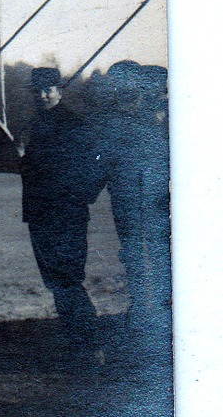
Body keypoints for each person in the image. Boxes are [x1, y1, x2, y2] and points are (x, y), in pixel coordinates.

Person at [18, 67, 107, 347]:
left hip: (67, 213)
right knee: (55, 279)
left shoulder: (75, 124)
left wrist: (79, 197)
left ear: (59, 90)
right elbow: (35, 171)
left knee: (68, 277)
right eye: (38, 91)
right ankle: (75, 339)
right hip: (39, 213)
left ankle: (88, 340)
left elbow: (97, 167)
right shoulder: (33, 126)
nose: (43, 96)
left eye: (48, 89)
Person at [98, 60, 171, 355]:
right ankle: (142, 314)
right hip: (127, 201)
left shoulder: (164, 114)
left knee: (162, 256)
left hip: (158, 201)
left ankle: (164, 316)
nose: (123, 89)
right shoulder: (115, 119)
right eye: (117, 83)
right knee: (133, 257)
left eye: (127, 82)